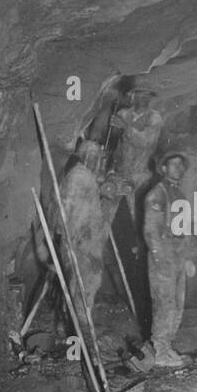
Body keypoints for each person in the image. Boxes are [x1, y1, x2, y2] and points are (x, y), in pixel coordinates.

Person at [35, 140, 105, 332]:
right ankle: (76, 326)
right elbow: (67, 210)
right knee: (79, 283)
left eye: (97, 156)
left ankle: (72, 323)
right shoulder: (80, 177)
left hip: (85, 241)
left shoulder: (84, 176)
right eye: (92, 155)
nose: (96, 159)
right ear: (85, 156)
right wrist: (71, 237)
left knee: (81, 281)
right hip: (79, 241)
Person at [142, 151, 196, 368]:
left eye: (180, 165)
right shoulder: (157, 194)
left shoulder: (179, 195)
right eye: (172, 165)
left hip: (178, 254)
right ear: (163, 168)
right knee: (165, 302)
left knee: (177, 302)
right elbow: (150, 231)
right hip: (163, 254)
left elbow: (185, 229)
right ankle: (160, 349)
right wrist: (160, 258)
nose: (178, 169)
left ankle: (167, 346)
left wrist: (188, 258)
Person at [111, 87, 164, 187]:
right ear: (133, 95)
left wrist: (125, 127)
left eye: (149, 95)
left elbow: (146, 142)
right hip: (119, 171)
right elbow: (112, 141)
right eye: (141, 93)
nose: (146, 98)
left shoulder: (155, 118)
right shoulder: (122, 114)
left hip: (141, 174)